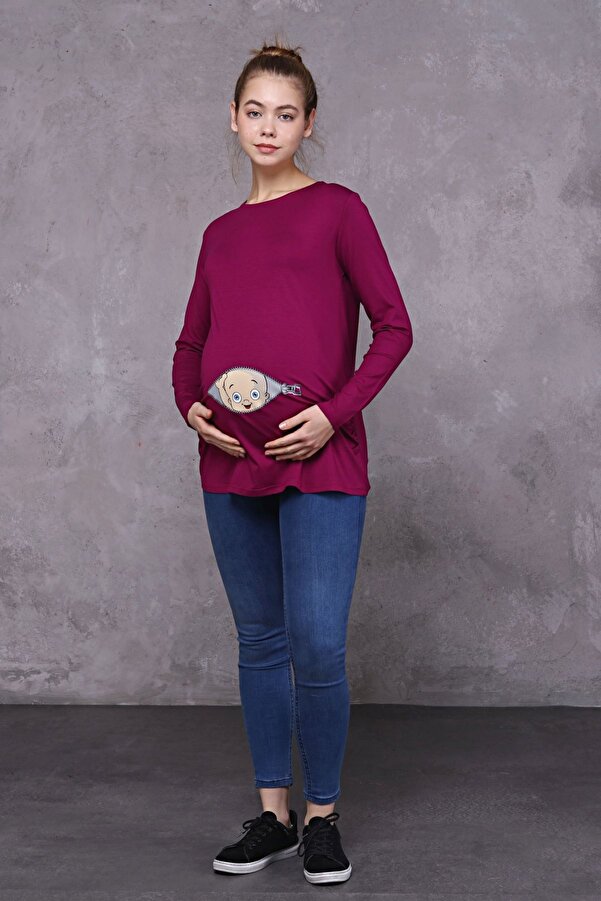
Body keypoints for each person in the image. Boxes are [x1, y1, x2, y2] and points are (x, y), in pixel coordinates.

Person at [171, 37, 413, 887]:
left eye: (285, 113)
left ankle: (321, 818)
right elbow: (189, 344)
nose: (267, 126)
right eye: (254, 111)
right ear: (232, 119)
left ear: (309, 123)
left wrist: (330, 417)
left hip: (321, 462)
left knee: (316, 643)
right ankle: (272, 815)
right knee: (259, 640)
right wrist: (190, 407)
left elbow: (394, 327)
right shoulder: (219, 233)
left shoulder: (339, 210)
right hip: (229, 465)